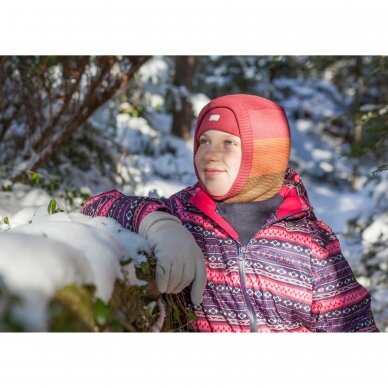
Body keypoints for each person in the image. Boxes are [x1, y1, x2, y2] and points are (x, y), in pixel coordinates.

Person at [80, 94, 379, 332]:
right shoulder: (184, 214)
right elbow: (95, 206)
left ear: (264, 153)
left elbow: (353, 330)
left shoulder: (311, 244)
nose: (210, 154)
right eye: (203, 142)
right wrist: (158, 223)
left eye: (229, 144)